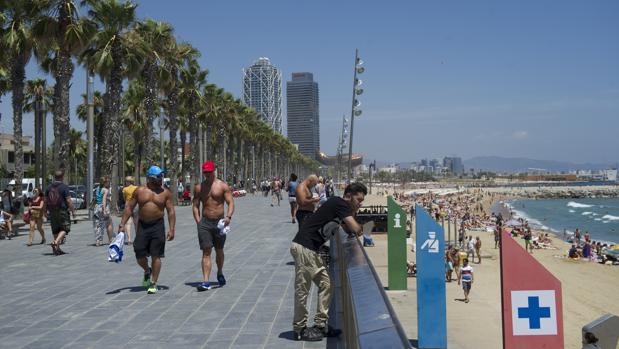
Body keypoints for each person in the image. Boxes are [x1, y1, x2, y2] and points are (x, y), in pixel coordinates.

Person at [290, 182, 366, 341]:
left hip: (312, 249)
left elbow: (347, 228)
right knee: (302, 290)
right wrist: (355, 220)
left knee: (327, 284)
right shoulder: (339, 203)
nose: (360, 203)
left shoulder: (340, 207)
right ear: (349, 196)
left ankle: (320, 324)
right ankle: (300, 329)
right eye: (359, 200)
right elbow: (356, 229)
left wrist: (354, 212)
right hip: (305, 247)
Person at [119, 165, 176, 294]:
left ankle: (153, 282)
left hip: (158, 225)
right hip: (143, 225)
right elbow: (129, 208)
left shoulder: (165, 192)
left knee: (156, 255)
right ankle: (147, 270)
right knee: (139, 253)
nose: (161, 179)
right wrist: (122, 223)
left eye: (162, 176)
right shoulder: (140, 191)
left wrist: (172, 229)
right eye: (159, 177)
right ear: (150, 178)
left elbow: (171, 211)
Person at [192, 161, 235, 291]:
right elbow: (195, 206)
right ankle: (205, 281)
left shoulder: (222, 186)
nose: (207, 174)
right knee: (206, 251)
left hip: (219, 223)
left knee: (219, 250)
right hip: (205, 223)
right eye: (205, 172)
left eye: (209, 172)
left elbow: (230, 203)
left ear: (214, 171)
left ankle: (220, 272)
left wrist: (228, 217)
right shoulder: (199, 187)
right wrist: (198, 222)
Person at [45, 170, 76, 255]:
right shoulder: (64, 187)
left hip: (52, 211)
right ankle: (56, 242)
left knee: (55, 230)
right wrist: (73, 212)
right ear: (62, 177)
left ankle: (57, 249)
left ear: (54, 177)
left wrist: (45, 211)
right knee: (65, 229)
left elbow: (45, 201)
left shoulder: (48, 187)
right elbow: (69, 200)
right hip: (62, 211)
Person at [93, 177, 113, 247]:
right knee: (103, 225)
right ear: (105, 183)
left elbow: (95, 199)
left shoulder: (97, 189)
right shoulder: (105, 190)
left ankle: (97, 240)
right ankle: (101, 240)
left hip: (96, 207)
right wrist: (104, 210)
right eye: (108, 182)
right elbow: (104, 200)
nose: (109, 183)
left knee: (97, 225)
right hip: (102, 208)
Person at [122, 176, 138, 245]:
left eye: (126, 181)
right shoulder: (136, 188)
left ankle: (129, 239)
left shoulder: (125, 189)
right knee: (136, 222)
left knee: (128, 223)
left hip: (127, 205)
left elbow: (124, 198)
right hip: (136, 205)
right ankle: (138, 238)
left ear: (128, 182)